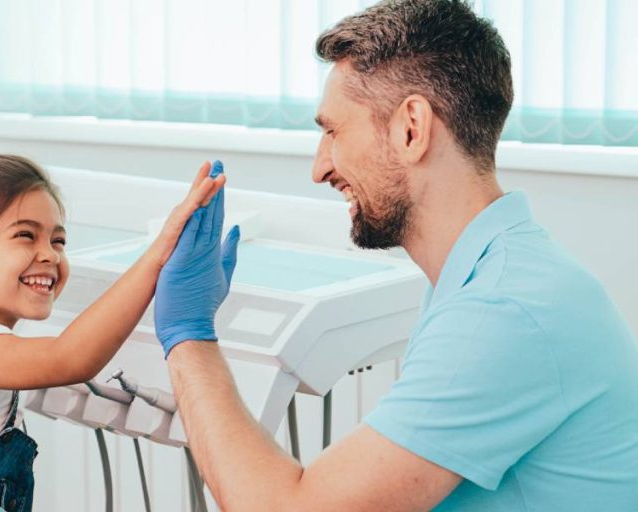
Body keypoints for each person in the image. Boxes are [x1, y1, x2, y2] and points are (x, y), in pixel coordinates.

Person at [153, 1, 638, 510]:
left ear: (412, 128)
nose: (320, 168)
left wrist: (189, 334)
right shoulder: (486, 275)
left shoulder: (504, 312)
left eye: (333, 131)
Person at [0, 154, 226, 511]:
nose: (50, 255)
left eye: (58, 241)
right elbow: (67, 358)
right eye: (25, 235)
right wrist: (158, 255)